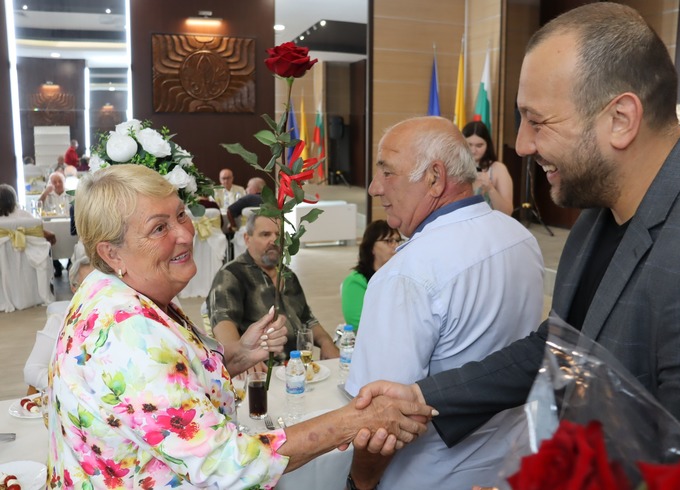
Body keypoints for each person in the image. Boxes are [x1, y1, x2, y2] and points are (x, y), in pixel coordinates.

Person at [353, 1, 680, 461]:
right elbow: (557, 348)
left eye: (537, 121)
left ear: (621, 119)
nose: (521, 145)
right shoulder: (595, 217)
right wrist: (422, 395)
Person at [48, 164, 434, 488]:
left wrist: (235, 357)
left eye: (181, 214)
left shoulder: (116, 290)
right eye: (159, 228)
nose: (186, 234)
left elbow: (163, 387)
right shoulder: (129, 334)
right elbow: (226, 464)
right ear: (112, 253)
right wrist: (355, 420)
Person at [345, 116, 544, 489]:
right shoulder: (518, 237)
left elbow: (379, 421)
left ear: (435, 177)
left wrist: (359, 483)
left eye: (387, 172)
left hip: (429, 476)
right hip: (511, 466)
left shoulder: (406, 274)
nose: (374, 187)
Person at [208, 212, 340, 373]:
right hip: (264, 372)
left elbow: (307, 319)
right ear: (247, 239)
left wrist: (326, 342)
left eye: (278, 235)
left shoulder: (288, 275)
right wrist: (243, 356)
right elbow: (223, 323)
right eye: (265, 234)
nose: (274, 240)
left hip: (298, 368)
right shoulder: (231, 275)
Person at [23, 243, 92, 393]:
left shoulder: (117, 319)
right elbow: (32, 370)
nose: (93, 292)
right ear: (73, 288)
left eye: (99, 285)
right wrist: (70, 390)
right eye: (85, 286)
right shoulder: (59, 320)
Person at [341, 220, 401, 331]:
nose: (396, 246)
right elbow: (358, 323)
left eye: (397, 241)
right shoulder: (356, 281)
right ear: (371, 247)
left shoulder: (400, 276)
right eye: (389, 241)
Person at [462, 120, 514, 215]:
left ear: (487, 145)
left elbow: (507, 212)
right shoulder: (455, 167)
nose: (473, 150)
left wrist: (490, 188)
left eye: (479, 145)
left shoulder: (498, 169)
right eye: (469, 145)